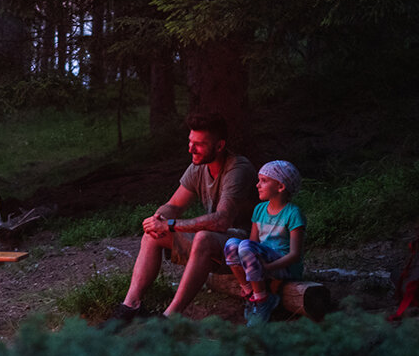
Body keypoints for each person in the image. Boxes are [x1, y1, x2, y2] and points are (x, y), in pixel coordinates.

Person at [114, 112, 257, 320]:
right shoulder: (198, 167)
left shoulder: (237, 170)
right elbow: (173, 205)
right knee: (152, 234)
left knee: (203, 237)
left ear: (219, 146)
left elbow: (222, 220)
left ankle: (170, 318)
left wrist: (170, 225)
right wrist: (159, 219)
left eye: (199, 144)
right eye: (190, 142)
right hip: (219, 247)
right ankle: (130, 307)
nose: (191, 149)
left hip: (246, 249)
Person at [224, 161, 306, 326]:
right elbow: (252, 243)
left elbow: (295, 255)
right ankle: (250, 293)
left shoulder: (293, 213)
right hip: (261, 263)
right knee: (231, 244)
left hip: (284, 267)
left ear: (280, 186)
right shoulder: (259, 209)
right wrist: (254, 265)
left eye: (263, 180)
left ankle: (262, 301)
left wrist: (266, 268)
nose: (257, 185)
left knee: (245, 246)